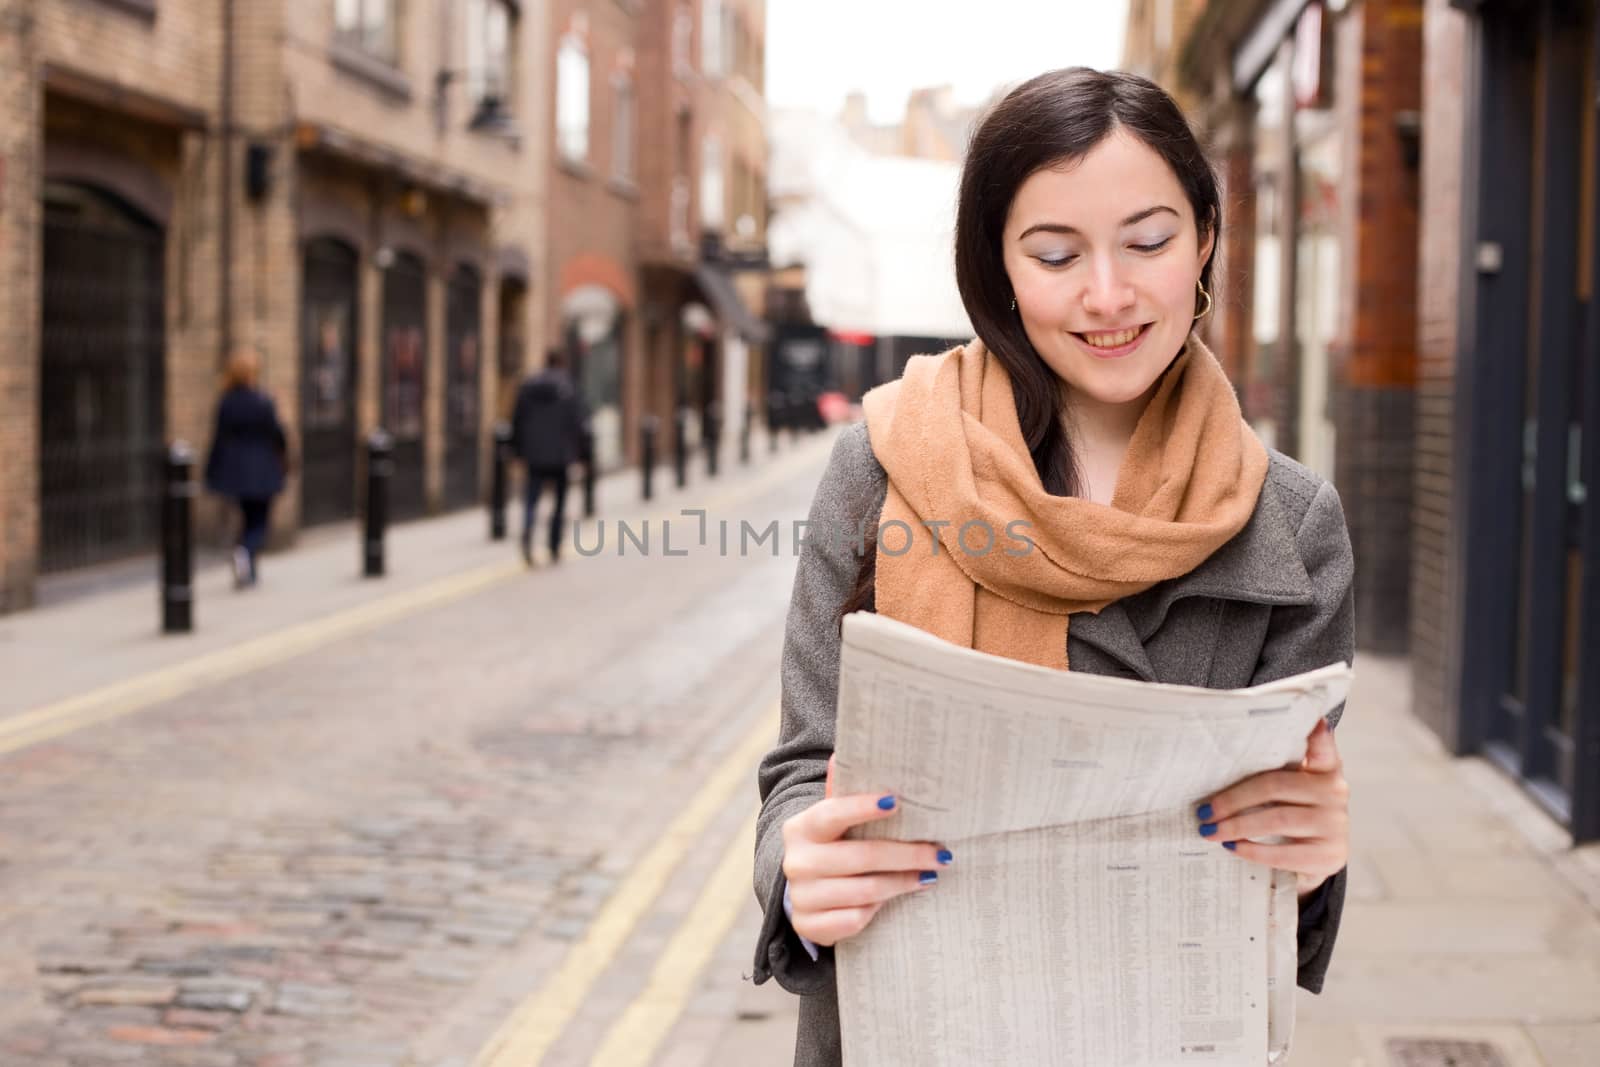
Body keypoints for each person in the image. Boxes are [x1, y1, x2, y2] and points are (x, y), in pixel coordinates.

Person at [751, 68, 1356, 1066]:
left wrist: (1314, 855)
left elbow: (1273, 886)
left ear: (1204, 237)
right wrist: (797, 868)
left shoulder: (1293, 522)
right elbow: (799, 771)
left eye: (1149, 241)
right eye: (1054, 253)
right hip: (904, 1028)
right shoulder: (882, 462)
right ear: (996, 265)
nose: (1108, 294)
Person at [204, 346, 289, 588]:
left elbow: (218, 438)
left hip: (236, 472)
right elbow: (277, 433)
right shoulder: (263, 401)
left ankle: (248, 568)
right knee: (260, 521)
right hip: (262, 469)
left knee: (247, 517)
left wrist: (212, 470)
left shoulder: (226, 402)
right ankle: (246, 552)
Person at [510, 348, 590, 566]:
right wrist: (583, 455)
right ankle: (554, 545)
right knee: (559, 502)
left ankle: (528, 529)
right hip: (561, 454)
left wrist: (517, 451)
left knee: (531, 498)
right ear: (561, 363)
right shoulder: (569, 387)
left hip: (534, 454)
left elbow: (517, 419)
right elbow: (579, 423)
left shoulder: (528, 385)